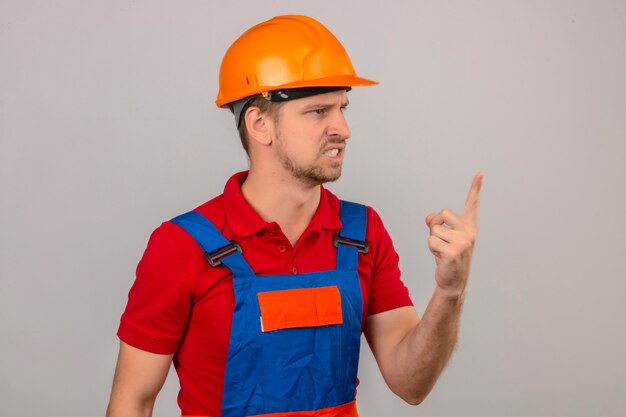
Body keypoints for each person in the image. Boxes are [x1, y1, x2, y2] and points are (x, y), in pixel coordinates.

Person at [106, 15, 483, 417]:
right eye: (318, 111)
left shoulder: (361, 233)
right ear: (259, 124)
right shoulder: (183, 246)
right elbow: (133, 401)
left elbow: (411, 384)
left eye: (342, 108)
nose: (342, 128)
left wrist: (449, 292)